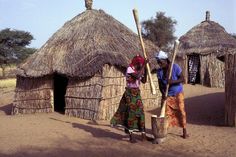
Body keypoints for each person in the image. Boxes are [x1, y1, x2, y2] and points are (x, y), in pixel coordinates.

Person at [110, 54, 148, 143]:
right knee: (131, 113)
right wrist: (144, 65)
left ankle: (143, 135)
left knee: (141, 113)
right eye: (140, 64)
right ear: (137, 63)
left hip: (137, 93)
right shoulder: (130, 69)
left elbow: (144, 80)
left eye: (141, 64)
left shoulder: (139, 69)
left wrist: (145, 70)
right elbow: (137, 76)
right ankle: (131, 136)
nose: (140, 65)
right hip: (130, 94)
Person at [155, 50, 189, 139]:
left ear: (165, 60)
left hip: (178, 93)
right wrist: (163, 95)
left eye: (160, 62)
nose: (159, 63)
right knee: (166, 113)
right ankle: (164, 131)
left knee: (181, 112)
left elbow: (183, 79)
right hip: (168, 94)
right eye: (158, 62)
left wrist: (172, 82)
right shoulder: (159, 71)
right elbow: (160, 85)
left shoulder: (175, 67)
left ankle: (184, 131)